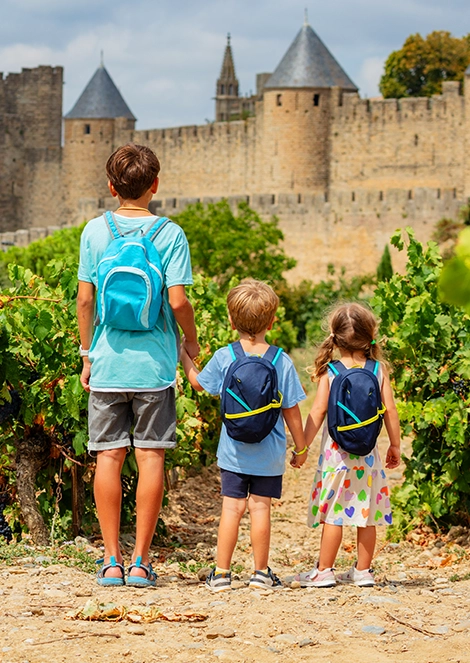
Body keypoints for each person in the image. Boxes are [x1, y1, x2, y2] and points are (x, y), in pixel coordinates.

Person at [77, 143, 199, 587]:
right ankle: (142, 562)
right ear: (156, 185)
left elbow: (86, 299)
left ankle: (111, 560)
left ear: (111, 187)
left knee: (107, 458)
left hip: (108, 363)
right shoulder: (170, 234)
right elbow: (178, 301)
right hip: (155, 368)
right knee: (151, 457)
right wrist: (191, 338)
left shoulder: (94, 232)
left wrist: (88, 355)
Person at [180, 279, 307, 591]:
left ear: (231, 321)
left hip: (233, 450)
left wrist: (184, 355)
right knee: (260, 506)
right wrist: (301, 447)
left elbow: (199, 385)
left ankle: (222, 574)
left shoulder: (226, 356)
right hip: (269, 451)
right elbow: (291, 410)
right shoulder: (281, 360)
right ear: (273, 321)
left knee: (232, 508)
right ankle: (260, 573)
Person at [294, 302, 401, 588]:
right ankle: (363, 571)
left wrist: (302, 445)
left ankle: (325, 570)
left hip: (336, 455)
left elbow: (317, 412)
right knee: (367, 513)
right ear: (370, 336)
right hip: (368, 455)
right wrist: (395, 445)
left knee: (334, 513)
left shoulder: (332, 371)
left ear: (334, 337)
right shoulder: (378, 370)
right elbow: (390, 410)